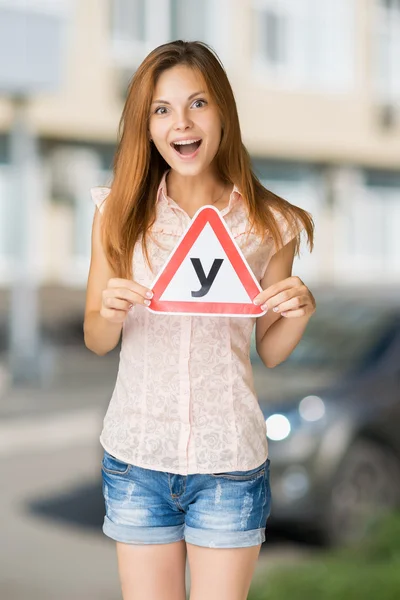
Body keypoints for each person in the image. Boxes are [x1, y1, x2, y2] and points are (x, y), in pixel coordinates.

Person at [84, 40, 315, 600]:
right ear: (146, 124)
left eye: (197, 104)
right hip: (138, 454)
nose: (180, 123)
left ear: (223, 113)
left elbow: (271, 349)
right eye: (161, 110)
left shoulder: (270, 224)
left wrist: (298, 312)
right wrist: (109, 312)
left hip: (229, 459)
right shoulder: (116, 213)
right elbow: (95, 337)